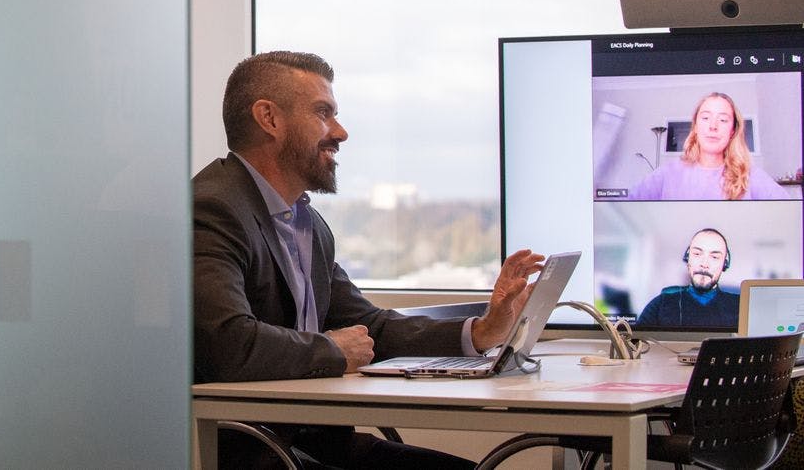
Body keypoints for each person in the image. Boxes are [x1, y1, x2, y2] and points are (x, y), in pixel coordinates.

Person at [194, 50, 546, 470]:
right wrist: (330, 349)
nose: (340, 132)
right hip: (256, 451)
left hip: (314, 441)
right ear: (269, 119)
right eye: (323, 113)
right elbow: (228, 344)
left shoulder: (308, 224)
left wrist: (482, 332)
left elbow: (370, 327)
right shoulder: (212, 209)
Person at [630, 92, 790, 200]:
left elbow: (791, 214)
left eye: (723, 120)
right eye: (706, 118)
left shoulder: (751, 177)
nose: (713, 126)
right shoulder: (665, 175)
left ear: (732, 130)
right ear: (695, 127)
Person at [634, 228, 738, 328]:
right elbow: (634, 344)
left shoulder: (740, 307)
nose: (704, 264)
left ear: (725, 264)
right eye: (697, 254)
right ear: (688, 259)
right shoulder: (660, 304)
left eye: (714, 257)